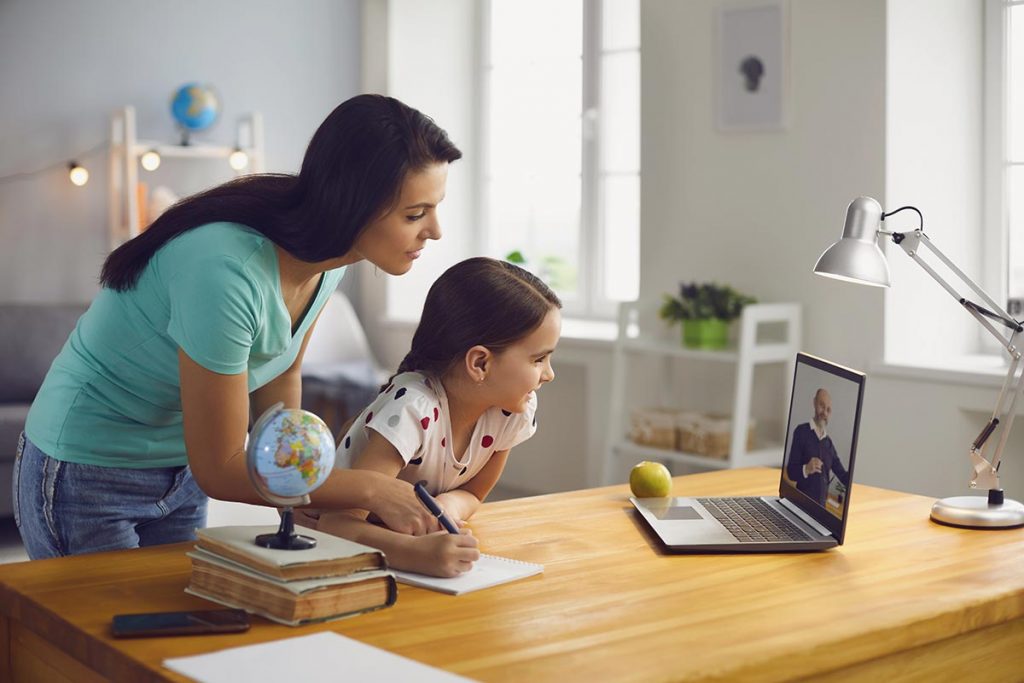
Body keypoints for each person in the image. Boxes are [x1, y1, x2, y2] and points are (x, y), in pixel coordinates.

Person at [15, 94, 462, 559]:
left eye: (434, 208)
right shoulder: (225, 269)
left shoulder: (331, 261)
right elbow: (222, 467)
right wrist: (367, 489)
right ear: (353, 206)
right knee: (95, 628)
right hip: (89, 467)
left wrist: (296, 482)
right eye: (415, 214)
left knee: (180, 626)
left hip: (180, 469)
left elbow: (282, 370)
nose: (435, 231)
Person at [307, 257, 562, 578]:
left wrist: (445, 508)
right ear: (480, 363)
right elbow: (335, 525)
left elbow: (473, 494)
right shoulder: (413, 409)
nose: (549, 374)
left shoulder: (511, 412)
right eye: (539, 359)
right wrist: (412, 553)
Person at [785, 388, 849, 506]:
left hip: (821, 510)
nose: (824, 412)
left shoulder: (829, 444)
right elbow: (790, 472)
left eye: (828, 410)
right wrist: (806, 469)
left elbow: (843, 476)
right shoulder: (801, 431)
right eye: (822, 405)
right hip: (800, 506)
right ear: (814, 403)